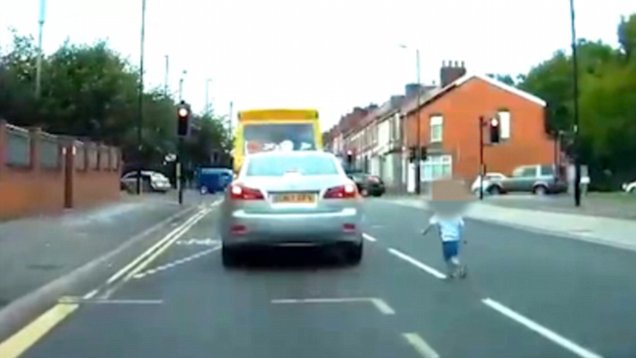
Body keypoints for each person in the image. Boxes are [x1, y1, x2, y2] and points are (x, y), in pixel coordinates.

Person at [421, 212, 467, 279]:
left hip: (447, 240)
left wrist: (424, 232)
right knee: (453, 256)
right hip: (455, 239)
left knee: (448, 259)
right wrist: (463, 238)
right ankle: (452, 273)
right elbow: (462, 225)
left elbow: (431, 224)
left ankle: (455, 271)